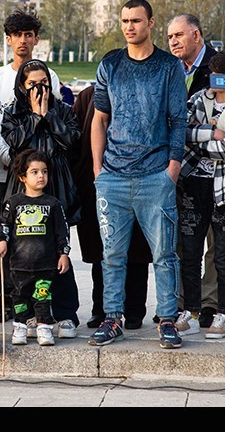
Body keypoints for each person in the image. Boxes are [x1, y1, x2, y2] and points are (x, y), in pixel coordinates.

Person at [89, 0, 186, 349]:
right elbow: (99, 119)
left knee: (164, 254)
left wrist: (171, 171)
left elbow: (179, 121)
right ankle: (112, 318)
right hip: (112, 177)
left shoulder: (168, 66)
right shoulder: (110, 64)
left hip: (155, 177)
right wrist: (99, 170)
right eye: (125, 20)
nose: (130, 26)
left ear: (151, 23)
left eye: (136, 20)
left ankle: (167, 320)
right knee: (112, 255)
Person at [0, 10, 60, 323]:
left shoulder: (49, 76)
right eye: (17, 35)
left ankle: (38, 305)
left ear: (36, 39)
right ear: (9, 40)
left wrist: (31, 168)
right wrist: (11, 160)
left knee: (36, 242)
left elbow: (51, 121)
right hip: (2, 173)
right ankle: (7, 298)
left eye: (29, 35)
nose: (23, 41)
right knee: (1, 238)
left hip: (35, 178)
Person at [177, 48, 225, 339]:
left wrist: (200, 138)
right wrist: (211, 133)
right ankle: (189, 309)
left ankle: (224, 313)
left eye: (222, 76)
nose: (214, 80)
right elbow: (181, 132)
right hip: (193, 183)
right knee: (189, 251)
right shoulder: (199, 99)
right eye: (212, 74)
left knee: (223, 255)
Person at [1, 59, 82, 338]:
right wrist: (35, 117)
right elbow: (15, 144)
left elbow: (72, 141)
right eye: (32, 84)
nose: (39, 88)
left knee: (59, 249)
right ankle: (32, 314)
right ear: (22, 87)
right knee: (27, 250)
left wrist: (49, 116)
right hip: (24, 186)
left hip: (55, 182)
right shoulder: (13, 112)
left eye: (43, 82)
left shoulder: (64, 110)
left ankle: (66, 313)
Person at [72, 60, 153, 331]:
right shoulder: (87, 96)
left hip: (139, 178)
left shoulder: (143, 91)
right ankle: (102, 308)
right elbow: (77, 139)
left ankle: (133, 311)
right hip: (98, 183)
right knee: (101, 251)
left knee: (138, 251)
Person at [167, 13, 219, 328]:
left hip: (212, 167)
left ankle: (210, 303)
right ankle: (185, 302)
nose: (173, 42)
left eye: (179, 35)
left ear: (196, 35)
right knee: (181, 241)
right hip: (177, 168)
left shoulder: (218, 67)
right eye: (170, 37)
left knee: (216, 240)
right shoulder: (169, 69)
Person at [0, 149, 71, 347]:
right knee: (19, 297)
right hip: (18, 264)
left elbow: (62, 232)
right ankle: (20, 326)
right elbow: (4, 225)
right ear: (22, 176)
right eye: (35, 172)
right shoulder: (13, 203)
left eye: (44, 172)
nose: (41, 176)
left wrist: (64, 254)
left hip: (45, 264)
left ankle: (44, 327)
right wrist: (2, 241)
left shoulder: (53, 204)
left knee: (43, 297)